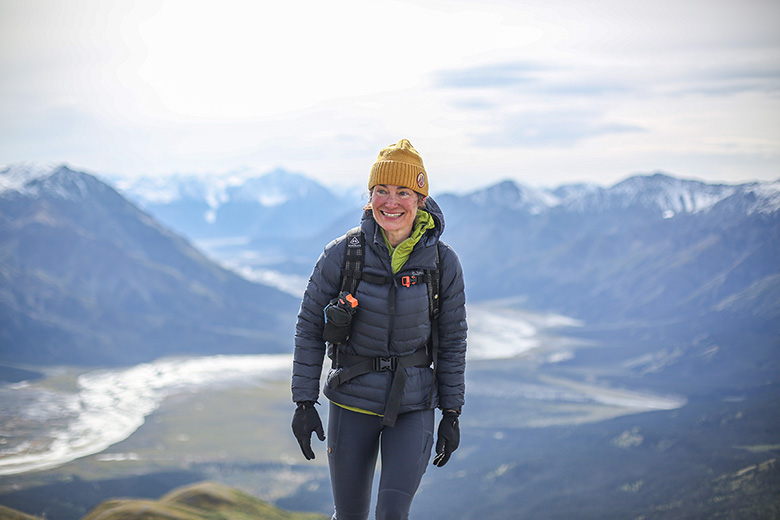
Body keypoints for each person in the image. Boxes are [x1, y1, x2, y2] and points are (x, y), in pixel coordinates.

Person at [291, 138, 467, 520]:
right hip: (351, 399)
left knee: (392, 512)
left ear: (420, 199)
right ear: (369, 196)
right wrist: (304, 402)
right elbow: (309, 328)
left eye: (404, 192)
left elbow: (452, 339)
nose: (391, 202)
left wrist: (451, 411)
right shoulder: (343, 254)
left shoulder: (442, 261)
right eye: (381, 191)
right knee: (350, 515)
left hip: (414, 404)